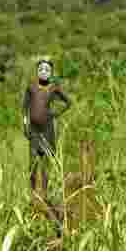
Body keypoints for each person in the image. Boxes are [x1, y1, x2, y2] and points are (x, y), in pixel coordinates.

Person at [22, 58, 72, 200]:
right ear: (37, 71)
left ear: (51, 73)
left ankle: (44, 194)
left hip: (47, 131)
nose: (44, 72)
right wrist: (25, 124)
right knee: (32, 164)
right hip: (34, 131)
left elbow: (68, 102)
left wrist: (55, 114)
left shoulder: (54, 87)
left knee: (45, 164)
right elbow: (25, 107)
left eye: (47, 70)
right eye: (41, 69)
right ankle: (32, 194)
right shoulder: (31, 87)